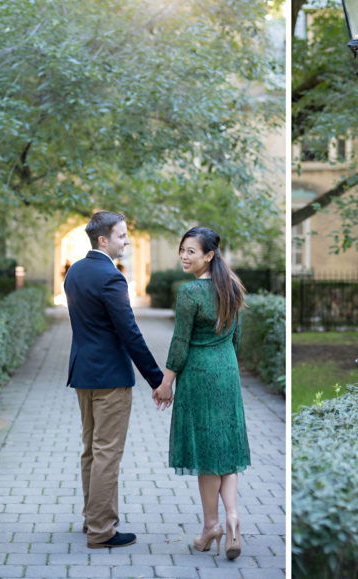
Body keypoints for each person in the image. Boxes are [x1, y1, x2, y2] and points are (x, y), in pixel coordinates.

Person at [64, 211, 164, 549]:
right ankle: (102, 530)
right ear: (103, 239)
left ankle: (91, 519)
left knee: (91, 451)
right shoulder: (112, 277)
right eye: (122, 235)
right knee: (107, 452)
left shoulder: (74, 272)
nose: (126, 241)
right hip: (110, 379)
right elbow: (130, 333)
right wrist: (157, 379)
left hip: (84, 374)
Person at [153, 227, 251, 560]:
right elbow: (236, 337)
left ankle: (212, 525)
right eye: (182, 250)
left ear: (208, 255)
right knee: (226, 446)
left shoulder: (191, 292)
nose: (183, 256)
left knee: (207, 452)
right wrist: (225, 361)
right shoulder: (233, 287)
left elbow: (180, 343)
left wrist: (166, 382)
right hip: (227, 370)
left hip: (198, 373)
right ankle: (233, 518)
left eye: (190, 251)